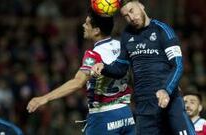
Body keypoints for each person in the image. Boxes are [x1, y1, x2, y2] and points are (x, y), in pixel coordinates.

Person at [91, 0, 196, 135]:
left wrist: (166, 90)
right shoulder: (127, 35)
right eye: (126, 16)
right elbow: (121, 68)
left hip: (170, 101)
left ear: (141, 6)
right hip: (144, 107)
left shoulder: (162, 29)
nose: (131, 17)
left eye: (132, 11)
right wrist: (103, 67)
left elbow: (178, 65)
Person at [27, 9, 135, 135]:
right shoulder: (121, 45)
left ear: (96, 31)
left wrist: (45, 98)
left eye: (87, 24)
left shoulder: (93, 55)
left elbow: (78, 82)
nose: (84, 26)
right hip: (126, 115)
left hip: (104, 117)